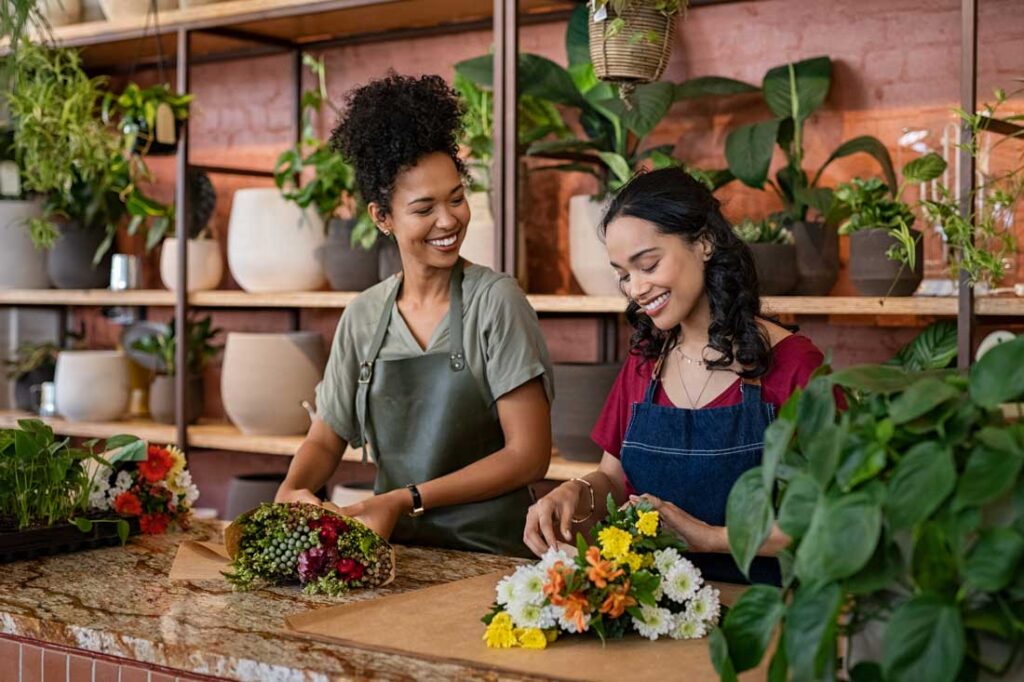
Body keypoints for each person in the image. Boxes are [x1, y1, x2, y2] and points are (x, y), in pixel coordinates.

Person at [276, 73, 554, 559]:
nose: (448, 221)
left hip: (492, 558)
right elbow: (325, 440)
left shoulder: (496, 301)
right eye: (424, 208)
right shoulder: (363, 317)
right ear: (382, 218)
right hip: (399, 556)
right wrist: (291, 492)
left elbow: (528, 456)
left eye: (456, 198)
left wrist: (405, 500)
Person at [524, 167, 827, 583]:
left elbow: (832, 517)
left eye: (648, 264)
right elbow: (613, 477)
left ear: (703, 242)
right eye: (624, 275)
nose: (636, 288)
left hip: (758, 611)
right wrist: (577, 492)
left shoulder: (795, 365)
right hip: (649, 607)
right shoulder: (646, 363)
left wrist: (710, 537)